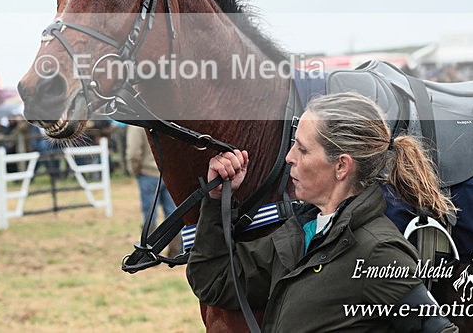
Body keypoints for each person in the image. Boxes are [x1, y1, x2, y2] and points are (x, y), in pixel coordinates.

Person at [186, 92, 458, 332]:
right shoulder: (304, 232)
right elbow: (216, 280)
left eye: (303, 149)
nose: (289, 157)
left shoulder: (379, 251)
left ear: (341, 166)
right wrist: (217, 199)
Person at [125, 125, 182, 257]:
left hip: (148, 174)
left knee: (149, 216)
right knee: (173, 213)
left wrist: (134, 171)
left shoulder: (135, 124)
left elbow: (133, 153)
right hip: (168, 173)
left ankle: (149, 253)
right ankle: (176, 250)